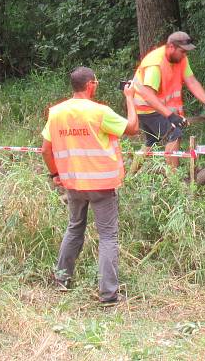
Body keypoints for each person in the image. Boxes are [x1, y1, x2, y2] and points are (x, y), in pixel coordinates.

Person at [41, 67, 138, 305]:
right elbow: (133, 128)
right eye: (96, 82)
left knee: (74, 228)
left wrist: (55, 173)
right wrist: (130, 98)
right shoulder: (100, 112)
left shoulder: (57, 113)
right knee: (107, 237)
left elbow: (46, 149)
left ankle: (62, 280)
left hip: (73, 183)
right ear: (91, 85)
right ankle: (109, 295)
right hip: (102, 184)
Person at [132, 31, 205, 167]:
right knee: (174, 132)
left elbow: (191, 81)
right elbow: (148, 96)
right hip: (146, 107)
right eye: (182, 51)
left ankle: (129, 177)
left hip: (157, 106)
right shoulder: (155, 64)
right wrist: (171, 116)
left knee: (150, 142)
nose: (185, 55)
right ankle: (174, 178)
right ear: (171, 47)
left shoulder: (180, 59)